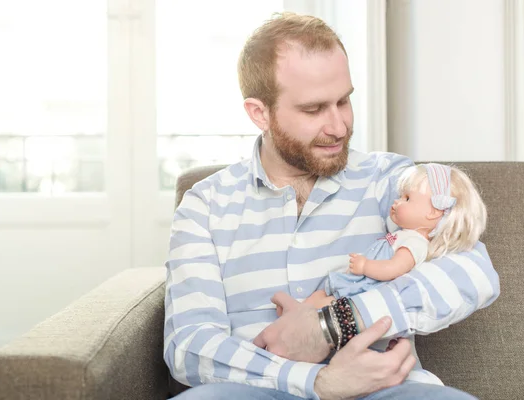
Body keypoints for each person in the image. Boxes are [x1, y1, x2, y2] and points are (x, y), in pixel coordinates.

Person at [163, 11, 499, 400]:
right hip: (253, 390)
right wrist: (315, 381)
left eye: (344, 101)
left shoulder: (388, 181)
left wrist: (332, 324)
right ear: (260, 113)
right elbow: (190, 346)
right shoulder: (206, 205)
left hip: (384, 389)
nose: (339, 126)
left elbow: (473, 273)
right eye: (313, 109)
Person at [323, 163, 488, 299]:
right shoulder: (404, 235)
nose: (397, 201)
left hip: (366, 289)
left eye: (407, 198)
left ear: (433, 212)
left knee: (324, 304)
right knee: (319, 298)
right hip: (359, 281)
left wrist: (365, 266)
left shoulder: (415, 243)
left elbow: (393, 268)